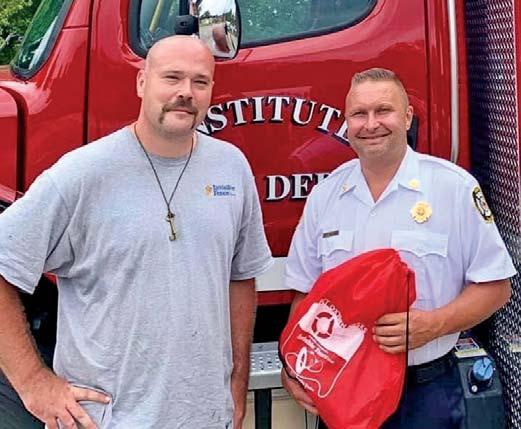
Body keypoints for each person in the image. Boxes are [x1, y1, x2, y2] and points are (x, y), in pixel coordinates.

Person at [0, 35, 272, 429]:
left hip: (206, 417)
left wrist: (237, 381)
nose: (185, 92)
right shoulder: (83, 174)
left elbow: (241, 276)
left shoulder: (232, 168)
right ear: (142, 82)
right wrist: (33, 383)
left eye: (200, 81)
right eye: (172, 78)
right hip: (109, 420)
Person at [281, 68, 515, 428]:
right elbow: (305, 295)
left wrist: (434, 325)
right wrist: (294, 365)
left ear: (407, 117)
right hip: (344, 390)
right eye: (359, 114)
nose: (371, 124)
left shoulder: (453, 188)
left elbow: (496, 288)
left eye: (383, 111)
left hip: (426, 393)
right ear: (347, 123)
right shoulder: (326, 196)